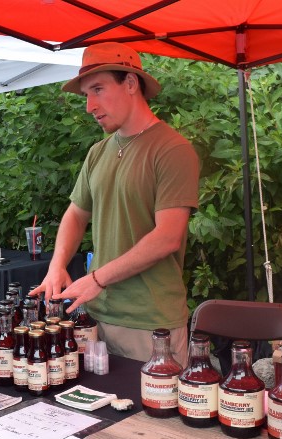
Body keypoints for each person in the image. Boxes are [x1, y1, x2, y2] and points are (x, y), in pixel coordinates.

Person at [31, 42, 200, 366]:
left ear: (131, 83)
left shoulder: (172, 149)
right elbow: (76, 214)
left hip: (150, 323)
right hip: (94, 318)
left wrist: (96, 279)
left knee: (149, 417)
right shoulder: (98, 151)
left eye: (98, 89)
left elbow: (167, 237)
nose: (89, 105)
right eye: (86, 95)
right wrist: (57, 265)